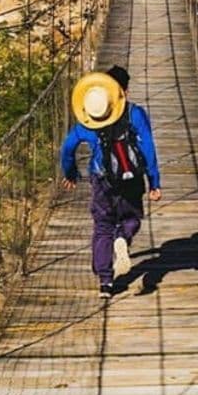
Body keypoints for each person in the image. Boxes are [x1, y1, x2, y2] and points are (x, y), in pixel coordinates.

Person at [60, 65, 162, 298]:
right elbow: (148, 147)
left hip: (102, 179)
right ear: (123, 90)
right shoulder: (134, 113)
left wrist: (70, 172)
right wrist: (154, 181)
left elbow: (67, 149)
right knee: (132, 217)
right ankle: (122, 238)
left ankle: (106, 282)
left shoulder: (88, 120)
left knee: (103, 225)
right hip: (132, 179)